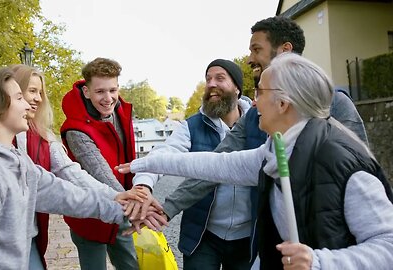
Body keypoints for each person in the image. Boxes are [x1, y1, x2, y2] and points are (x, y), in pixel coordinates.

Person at [118, 52, 393, 270]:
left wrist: (319, 262)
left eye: (260, 92)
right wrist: (143, 165)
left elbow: (388, 245)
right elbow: (214, 165)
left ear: (283, 104)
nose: (255, 102)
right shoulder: (277, 150)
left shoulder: (338, 159)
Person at [0, 68, 147, 270]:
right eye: (19, 97)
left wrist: (122, 208)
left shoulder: (17, 162)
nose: (31, 103)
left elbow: (65, 194)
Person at [129, 59, 251, 270]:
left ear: (237, 88)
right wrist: (142, 186)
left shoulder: (257, 123)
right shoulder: (191, 126)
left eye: (220, 78)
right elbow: (164, 154)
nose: (211, 83)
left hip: (248, 236)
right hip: (203, 235)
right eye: (208, 79)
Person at [61, 57, 160, 270]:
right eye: (100, 92)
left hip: (121, 212)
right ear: (87, 92)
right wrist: (138, 209)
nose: (108, 98)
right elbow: (101, 173)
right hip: (89, 215)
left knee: (130, 266)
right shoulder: (76, 129)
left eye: (112, 90)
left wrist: (137, 195)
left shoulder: (121, 112)